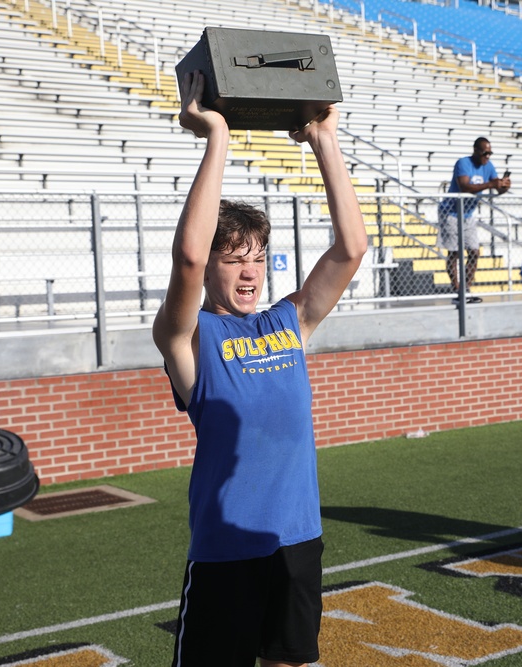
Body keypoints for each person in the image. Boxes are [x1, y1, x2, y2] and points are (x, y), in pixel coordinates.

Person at [153, 71, 367, 667]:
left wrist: (325, 141)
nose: (249, 273)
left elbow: (351, 249)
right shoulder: (190, 339)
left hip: (297, 543)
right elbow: (189, 256)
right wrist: (216, 136)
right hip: (226, 554)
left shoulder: (288, 323)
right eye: (234, 260)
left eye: (258, 258)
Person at [437, 137, 510, 303]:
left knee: (474, 252)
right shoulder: (463, 163)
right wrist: (491, 184)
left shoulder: (488, 166)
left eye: (490, 153)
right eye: (485, 153)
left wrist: (504, 186)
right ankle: (456, 290)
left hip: (468, 214)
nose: (488, 156)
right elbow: (465, 187)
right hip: (451, 211)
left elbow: (496, 189)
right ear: (476, 150)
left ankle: (465, 290)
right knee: (454, 253)